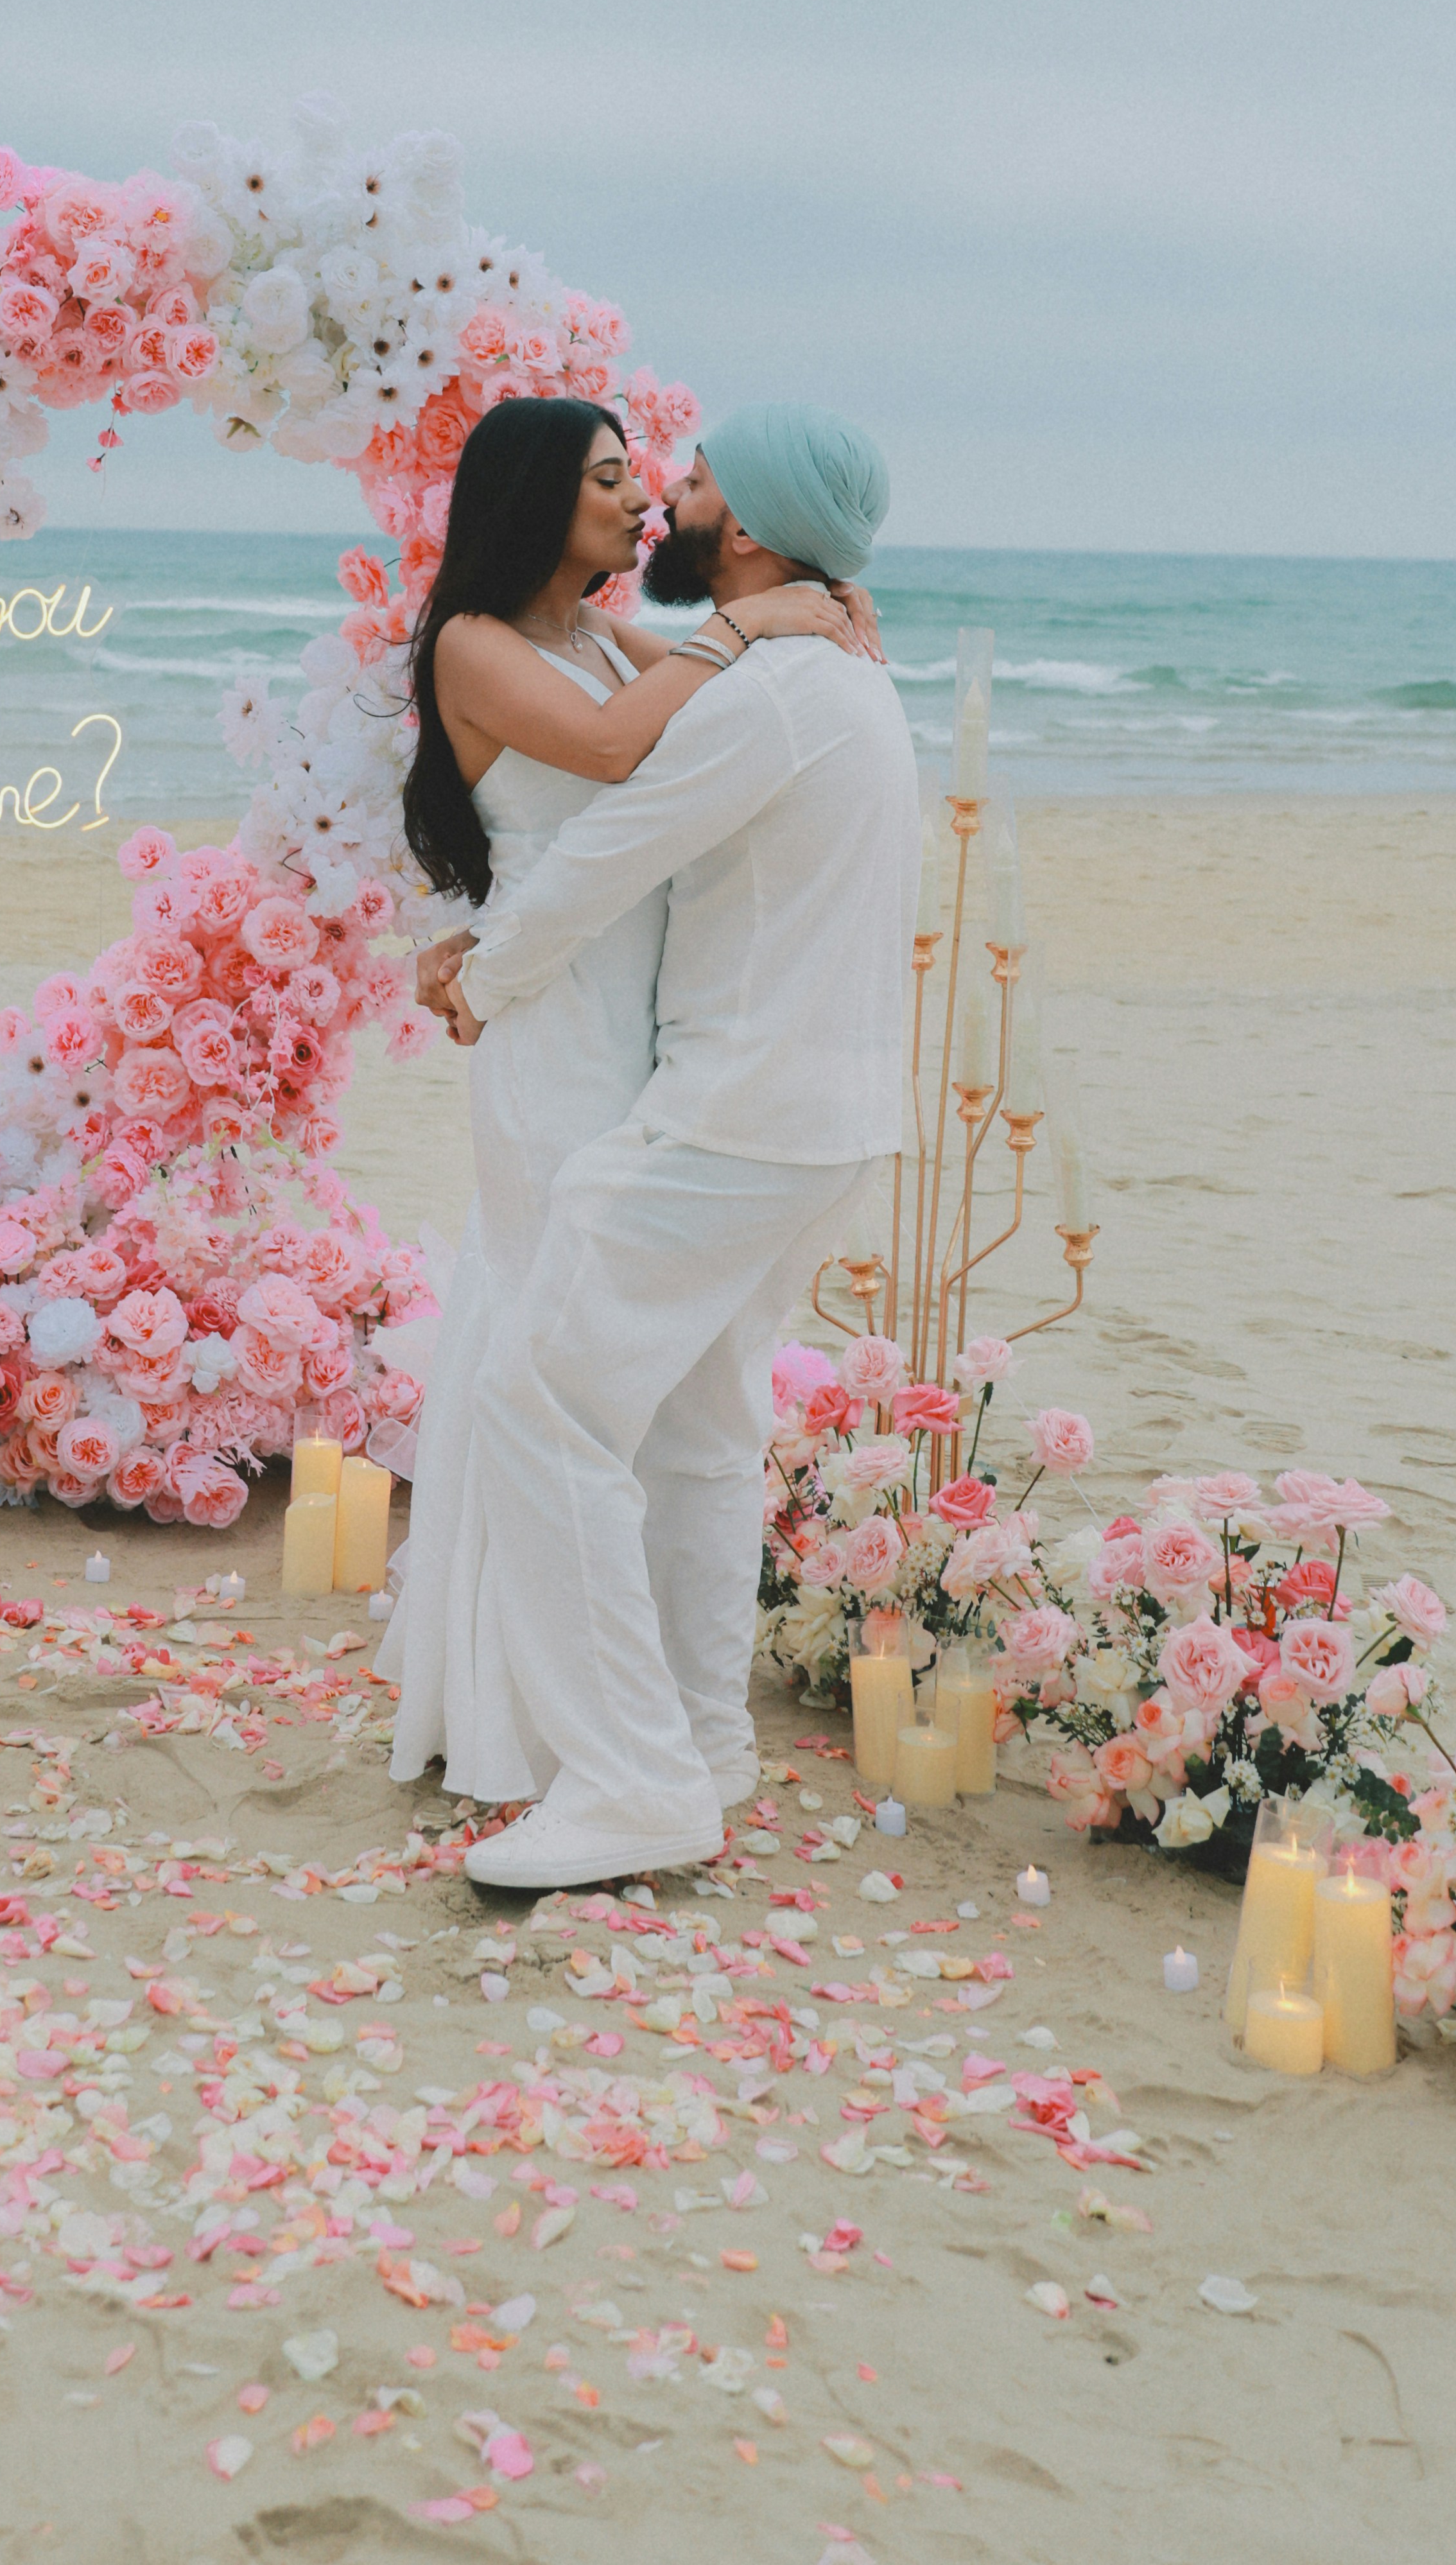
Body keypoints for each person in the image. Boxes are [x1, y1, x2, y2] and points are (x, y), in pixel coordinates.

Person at [417, 402, 917, 1893]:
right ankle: (701, 1747)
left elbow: (605, 855)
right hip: (823, 1119)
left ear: (742, 525)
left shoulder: (767, 690)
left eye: (684, 481)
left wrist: (480, 973)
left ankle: (632, 1782)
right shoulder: (828, 676)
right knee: (701, 1431)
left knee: (536, 1403)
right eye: (626, 475)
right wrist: (772, 620)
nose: (659, 500)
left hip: (730, 1115)